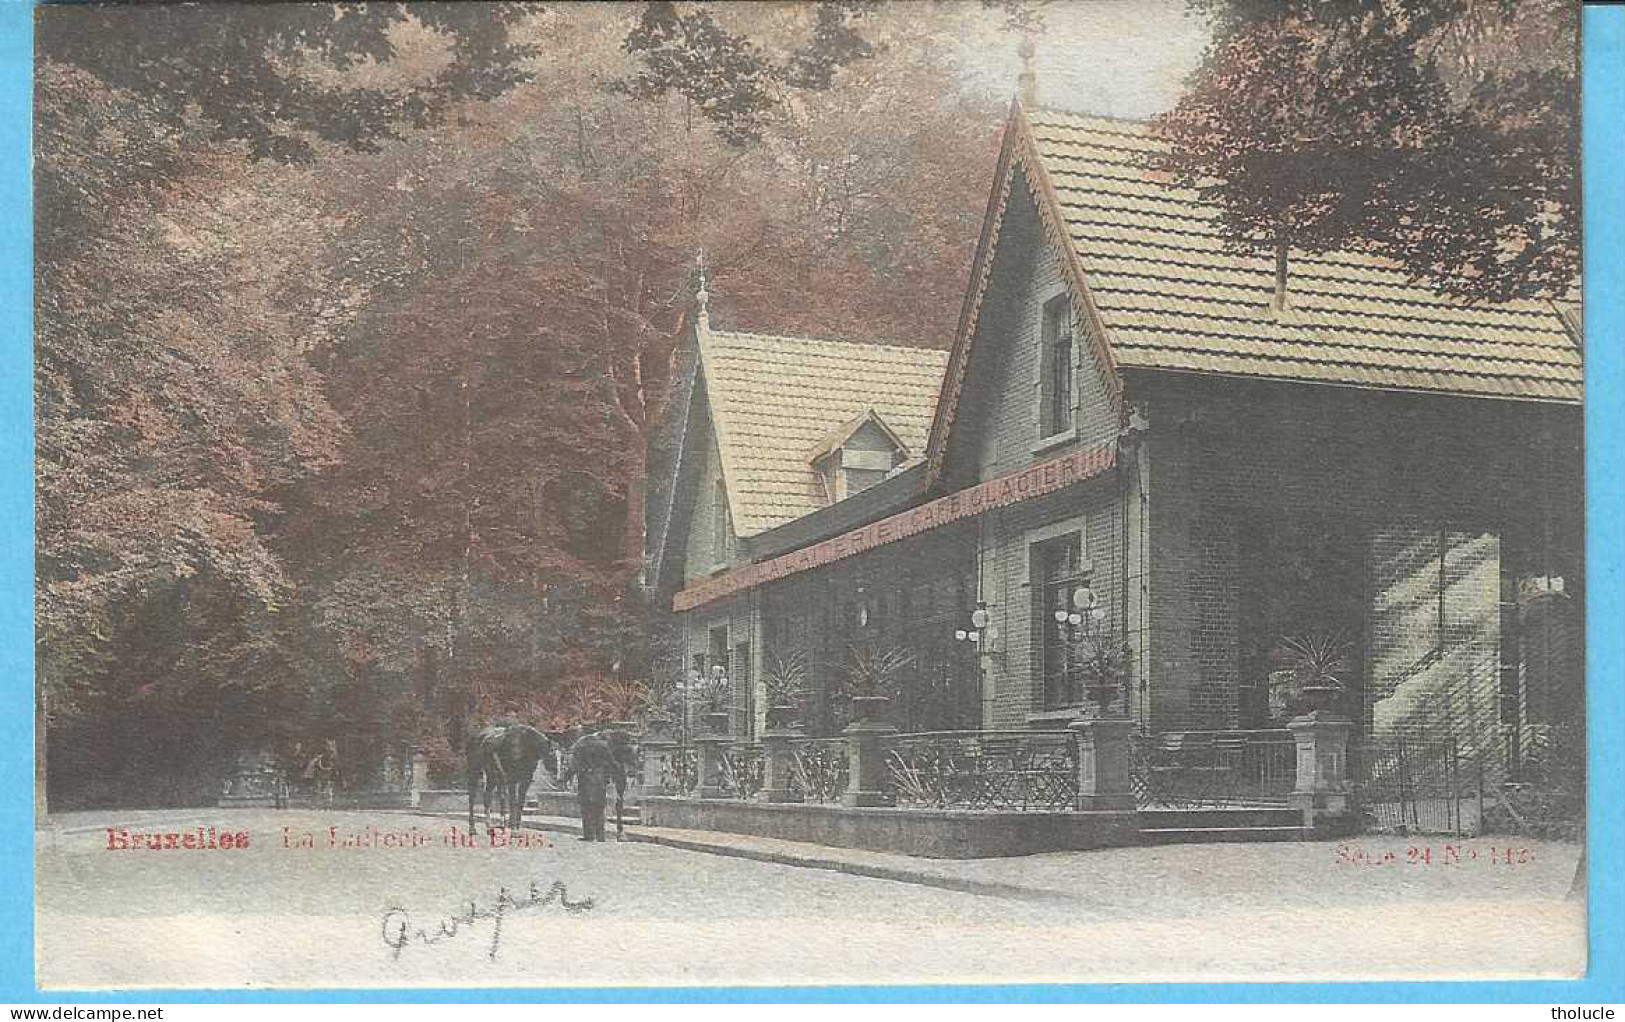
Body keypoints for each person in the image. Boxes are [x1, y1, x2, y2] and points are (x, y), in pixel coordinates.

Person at [557, 728, 626, 842]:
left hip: (585, 779)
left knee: (586, 807)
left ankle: (588, 834)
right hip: (600, 779)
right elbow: (611, 763)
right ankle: (600, 835)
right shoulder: (603, 745)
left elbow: (574, 765)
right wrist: (617, 776)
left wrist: (565, 778)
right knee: (599, 807)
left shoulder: (580, 745)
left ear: (583, 733)